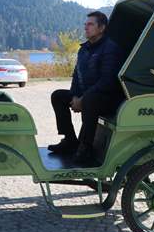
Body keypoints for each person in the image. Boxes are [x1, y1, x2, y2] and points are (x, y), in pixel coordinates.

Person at [47, 11, 125, 164]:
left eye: (90, 24)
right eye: (85, 25)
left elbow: (107, 81)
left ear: (101, 28)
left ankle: (86, 148)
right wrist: (75, 96)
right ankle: (70, 140)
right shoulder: (84, 49)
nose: (86, 28)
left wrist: (82, 99)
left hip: (107, 99)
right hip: (88, 97)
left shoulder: (110, 48)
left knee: (90, 99)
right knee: (58, 95)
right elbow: (77, 76)